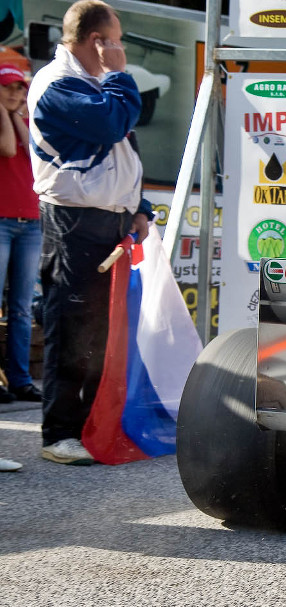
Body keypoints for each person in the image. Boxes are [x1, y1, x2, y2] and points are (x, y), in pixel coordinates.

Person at [28, 0, 154, 466]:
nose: (121, 50)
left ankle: (90, 426)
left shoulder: (95, 83)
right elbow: (112, 123)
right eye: (115, 40)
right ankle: (58, 432)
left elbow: (124, 150)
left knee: (102, 331)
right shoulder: (56, 83)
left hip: (111, 219)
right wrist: (120, 74)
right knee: (72, 326)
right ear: (97, 41)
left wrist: (138, 207)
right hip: (74, 221)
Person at [0, 65, 43, 405]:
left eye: (19, 89)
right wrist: (5, 113)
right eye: (7, 88)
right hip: (1, 222)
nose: (15, 95)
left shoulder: (25, 123)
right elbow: (8, 150)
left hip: (30, 223)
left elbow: (31, 151)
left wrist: (14, 115)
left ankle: (21, 381)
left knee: (21, 308)